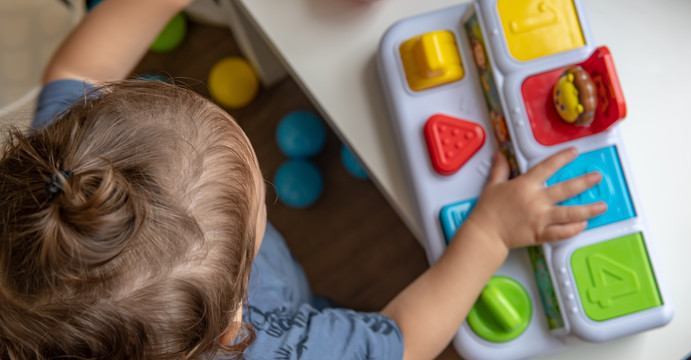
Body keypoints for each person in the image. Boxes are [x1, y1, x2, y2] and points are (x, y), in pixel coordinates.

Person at [0, 0, 606, 359]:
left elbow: (80, 66)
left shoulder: (67, 176)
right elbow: (400, 343)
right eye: (256, 186)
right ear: (233, 323)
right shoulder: (282, 346)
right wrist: (491, 235)